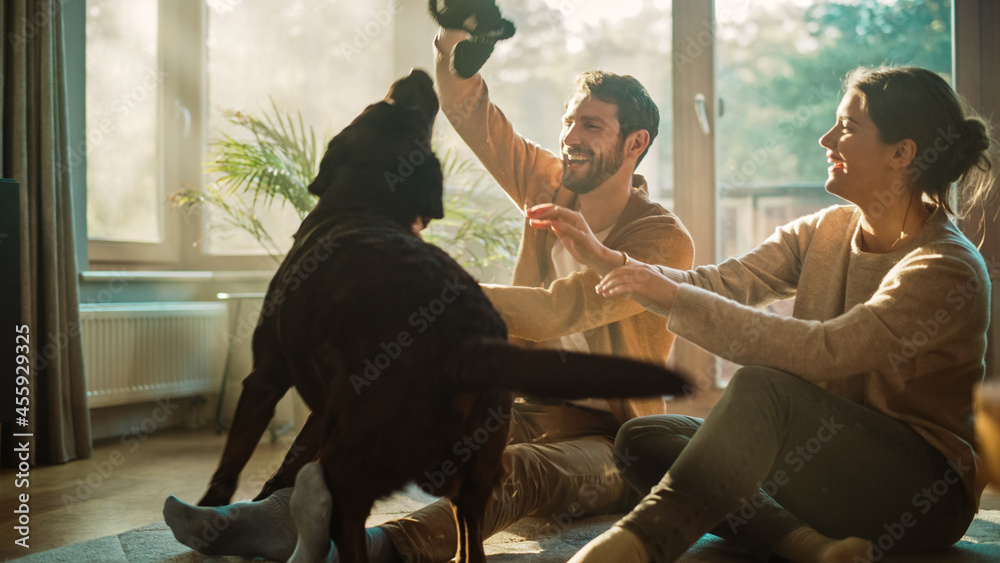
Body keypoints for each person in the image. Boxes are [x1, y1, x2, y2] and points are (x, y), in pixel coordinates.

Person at [163, 23, 694, 563]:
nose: (571, 136)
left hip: (614, 440)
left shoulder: (662, 240)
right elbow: (471, 115)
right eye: (569, 120)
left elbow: (564, 309)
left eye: (592, 125)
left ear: (635, 144)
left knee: (517, 473)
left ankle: (376, 548)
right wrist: (454, 45)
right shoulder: (549, 183)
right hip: (530, 400)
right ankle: (275, 514)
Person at [527, 66, 995, 563]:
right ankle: (806, 544)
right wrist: (612, 260)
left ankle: (637, 544)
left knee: (762, 388)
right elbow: (723, 282)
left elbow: (825, 351)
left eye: (848, 127)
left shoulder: (945, 266)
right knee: (645, 437)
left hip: (921, 495)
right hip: (827, 472)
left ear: (902, 153)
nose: (826, 138)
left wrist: (668, 295)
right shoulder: (825, 230)